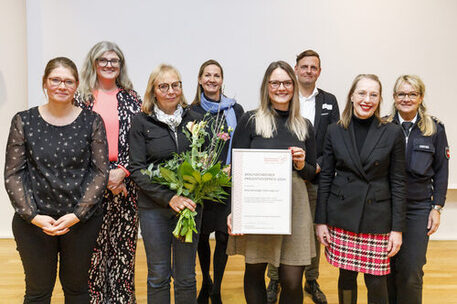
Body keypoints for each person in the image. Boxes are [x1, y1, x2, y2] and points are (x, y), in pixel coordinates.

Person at [4, 57, 109, 303]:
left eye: (68, 81)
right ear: (45, 83)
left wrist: (77, 215)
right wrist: (33, 216)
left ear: (76, 86)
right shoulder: (24, 121)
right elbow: (13, 173)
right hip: (34, 223)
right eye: (56, 80)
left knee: (77, 291)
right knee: (38, 292)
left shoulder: (92, 121)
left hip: (80, 222)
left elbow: (100, 172)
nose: (62, 86)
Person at [227, 61, 317, 304]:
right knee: (255, 271)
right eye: (275, 82)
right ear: (266, 86)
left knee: (291, 280)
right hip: (258, 205)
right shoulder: (250, 121)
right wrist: (234, 210)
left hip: (295, 207)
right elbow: (237, 170)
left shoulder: (304, 126)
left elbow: (312, 173)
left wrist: (301, 165)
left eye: (287, 83)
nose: (281, 88)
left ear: (294, 86)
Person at [315, 74, 406, 304]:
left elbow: (397, 182)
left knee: (376, 281)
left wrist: (397, 228)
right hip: (342, 214)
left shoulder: (392, 132)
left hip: (376, 217)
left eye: (373, 94)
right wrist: (321, 221)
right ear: (352, 96)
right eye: (362, 93)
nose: (367, 99)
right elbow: (325, 177)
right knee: (346, 278)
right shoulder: (335, 131)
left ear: (380, 99)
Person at [266, 49, 339, 304]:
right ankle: (274, 278)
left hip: (315, 178)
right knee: (277, 229)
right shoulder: (285, 96)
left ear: (319, 71)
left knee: (311, 233)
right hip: (281, 182)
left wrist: (315, 166)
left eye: (314, 67)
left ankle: (311, 279)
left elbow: (333, 141)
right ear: (296, 69)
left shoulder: (329, 100)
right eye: (304, 66)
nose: (308, 71)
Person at [74, 41, 142, 304]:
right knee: (94, 251)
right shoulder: (81, 98)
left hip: (125, 184)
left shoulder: (132, 98)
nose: (109, 65)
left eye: (114, 61)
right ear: (93, 63)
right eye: (103, 60)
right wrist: (105, 176)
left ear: (120, 65)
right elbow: (76, 142)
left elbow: (139, 140)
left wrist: (122, 171)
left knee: (123, 248)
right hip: (91, 184)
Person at [129, 64, 203, 304]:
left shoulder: (195, 119)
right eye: (164, 86)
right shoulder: (141, 122)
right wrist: (169, 198)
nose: (171, 91)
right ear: (154, 90)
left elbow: (204, 161)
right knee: (159, 274)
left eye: (176, 85)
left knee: (186, 275)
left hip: (189, 209)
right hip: (154, 210)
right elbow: (136, 169)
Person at [386, 75, 449, 304]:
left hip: (417, 208)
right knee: (386, 271)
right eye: (401, 94)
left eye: (412, 94)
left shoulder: (434, 128)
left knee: (411, 270)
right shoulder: (382, 126)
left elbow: (442, 171)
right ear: (394, 97)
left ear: (421, 97)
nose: (406, 98)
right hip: (386, 207)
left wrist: (437, 207)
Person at [191, 59, 244, 304]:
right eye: (207, 75)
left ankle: (217, 288)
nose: (212, 79)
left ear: (222, 80)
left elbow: (243, 145)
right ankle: (205, 280)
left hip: (228, 185)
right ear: (200, 80)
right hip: (202, 187)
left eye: (217, 75)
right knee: (202, 237)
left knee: (223, 237)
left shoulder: (236, 110)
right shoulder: (191, 111)